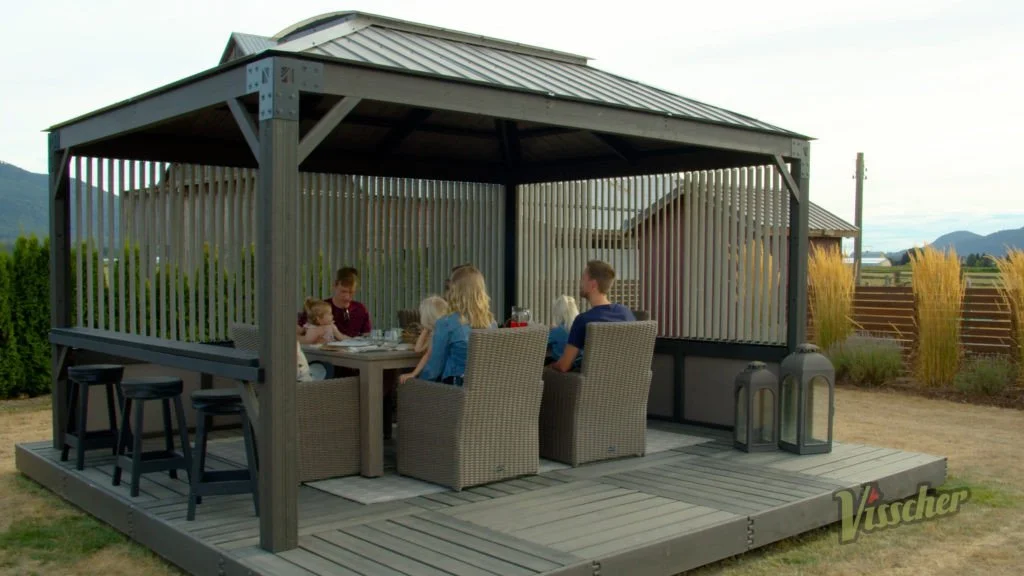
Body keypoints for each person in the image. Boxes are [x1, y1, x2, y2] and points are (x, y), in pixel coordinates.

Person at [550, 260, 636, 373]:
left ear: (593, 285)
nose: (580, 283)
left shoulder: (583, 320)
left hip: (591, 381)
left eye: (583, 278)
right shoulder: (626, 313)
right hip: (627, 379)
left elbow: (563, 366)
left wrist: (549, 367)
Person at [419, 265, 495, 385]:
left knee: (405, 385)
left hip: (455, 388)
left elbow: (434, 369)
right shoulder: (492, 323)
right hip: (486, 387)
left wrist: (417, 382)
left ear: (455, 290)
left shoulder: (446, 323)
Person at [296, 267, 371, 338]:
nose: (347, 297)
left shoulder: (360, 309)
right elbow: (297, 334)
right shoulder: (318, 308)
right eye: (343, 291)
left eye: (351, 292)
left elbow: (367, 336)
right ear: (334, 286)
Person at [399, 295, 449, 384]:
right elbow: (418, 349)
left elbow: (427, 355)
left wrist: (413, 374)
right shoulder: (439, 330)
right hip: (442, 375)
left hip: (438, 377)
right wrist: (426, 329)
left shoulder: (438, 333)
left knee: (402, 379)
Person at [547, 295, 579, 364]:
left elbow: (541, 344)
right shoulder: (580, 328)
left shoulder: (557, 331)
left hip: (560, 365)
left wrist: (550, 331)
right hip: (579, 365)